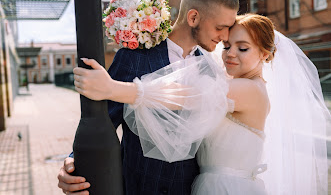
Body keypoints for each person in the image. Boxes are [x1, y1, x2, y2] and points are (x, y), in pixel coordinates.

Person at [73, 14, 329, 195]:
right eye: (227, 45)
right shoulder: (223, 79)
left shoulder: (251, 91)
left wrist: (114, 88)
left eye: (243, 48)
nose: (230, 53)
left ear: (264, 54)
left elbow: (188, 95)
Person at [57, 0, 239, 194]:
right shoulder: (133, 57)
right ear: (193, 17)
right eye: (221, 27)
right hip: (138, 187)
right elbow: (103, 118)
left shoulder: (212, 69)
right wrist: (74, 162)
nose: (226, 36)